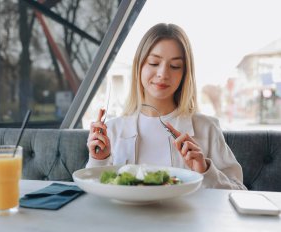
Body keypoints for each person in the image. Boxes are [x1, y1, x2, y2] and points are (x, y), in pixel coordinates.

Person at [86, 23, 246, 190]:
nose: (163, 74)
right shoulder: (112, 130)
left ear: (185, 73)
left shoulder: (207, 128)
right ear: (139, 67)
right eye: (154, 63)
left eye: (175, 66)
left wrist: (205, 171)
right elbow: (92, 197)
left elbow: (240, 192)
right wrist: (99, 160)